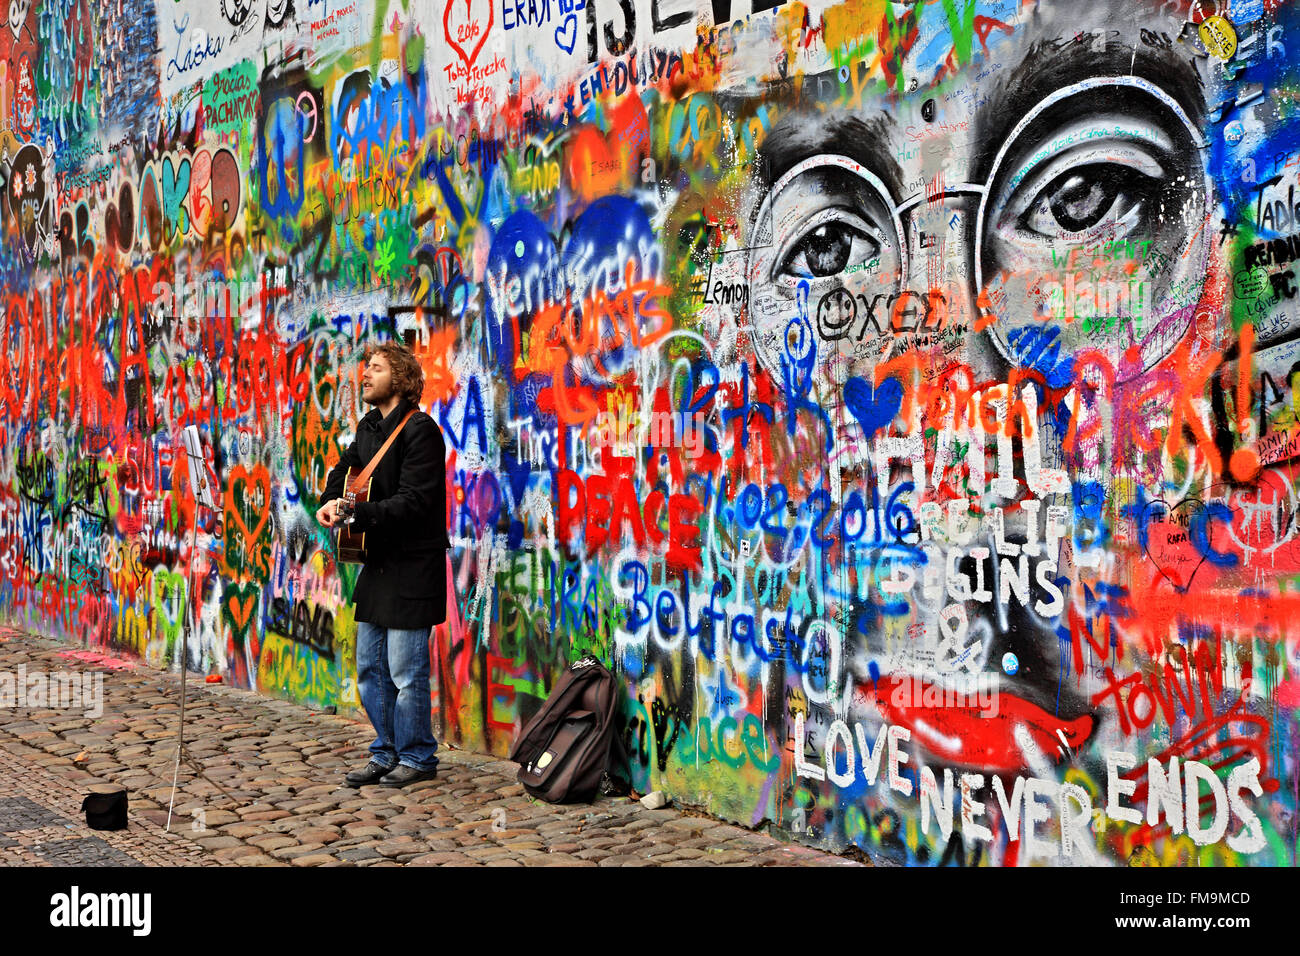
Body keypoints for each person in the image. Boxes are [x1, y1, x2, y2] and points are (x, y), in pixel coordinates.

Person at [317, 341, 448, 788]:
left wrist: (358, 514)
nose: (365, 374)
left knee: (407, 672)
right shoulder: (368, 427)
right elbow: (344, 472)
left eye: (376, 367)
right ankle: (385, 750)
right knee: (370, 670)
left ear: (402, 378)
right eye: (365, 368)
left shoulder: (422, 432)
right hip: (377, 566)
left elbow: (415, 502)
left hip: (413, 567)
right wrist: (333, 501)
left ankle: (417, 756)